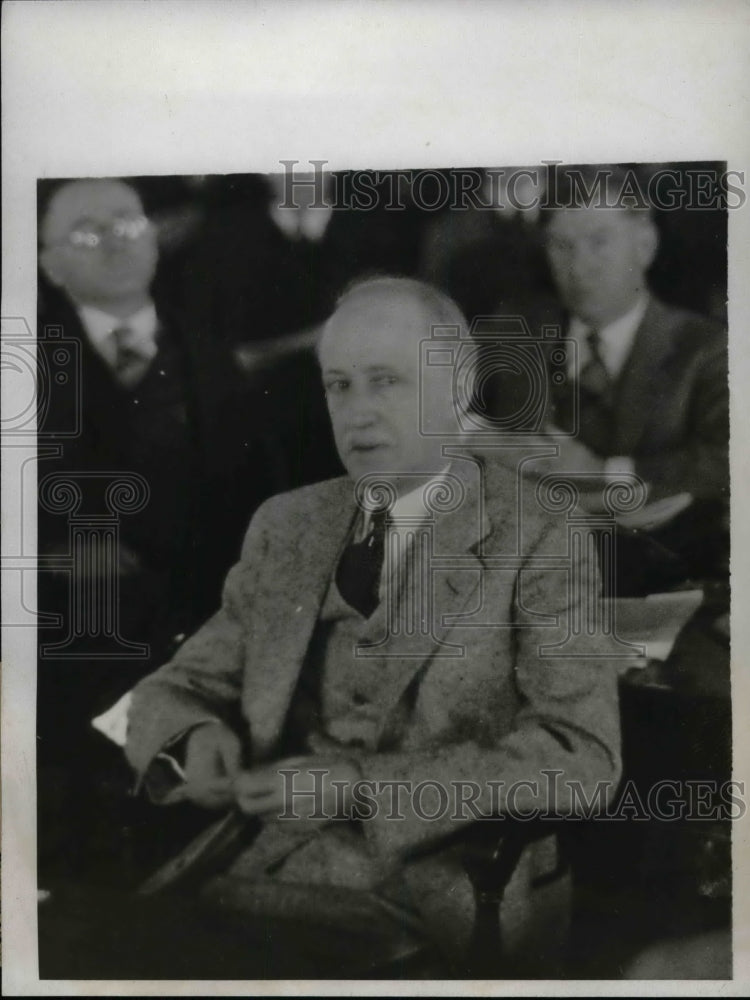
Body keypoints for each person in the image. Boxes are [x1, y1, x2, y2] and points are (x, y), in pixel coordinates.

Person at [109, 277, 622, 978]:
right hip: (250, 870)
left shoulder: (541, 530)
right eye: (339, 386)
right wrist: (190, 739)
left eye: (386, 381)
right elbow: (177, 686)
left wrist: (356, 786)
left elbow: (582, 759)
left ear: (459, 385)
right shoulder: (289, 523)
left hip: (436, 895)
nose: (358, 413)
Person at [36, 178, 283, 885]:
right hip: (71, 652)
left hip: (208, 645)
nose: (115, 239)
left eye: (127, 221)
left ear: (155, 237)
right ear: (49, 262)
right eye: (87, 231)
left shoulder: (210, 354)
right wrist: (47, 555)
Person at [508, 166, 729, 589]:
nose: (579, 266)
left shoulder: (705, 349)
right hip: (539, 585)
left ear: (644, 246)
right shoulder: (517, 342)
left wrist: (606, 472)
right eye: (561, 246)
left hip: (670, 587)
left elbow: (730, 458)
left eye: (599, 242)